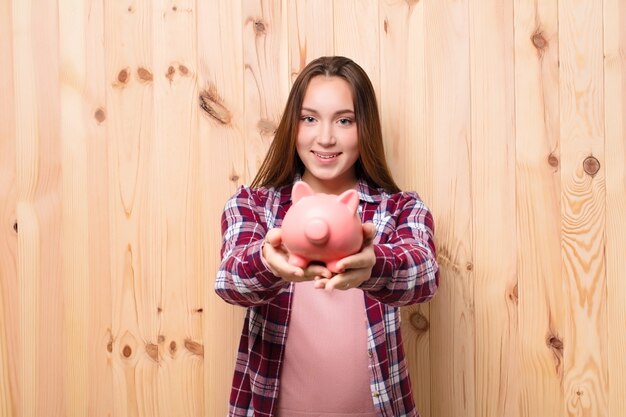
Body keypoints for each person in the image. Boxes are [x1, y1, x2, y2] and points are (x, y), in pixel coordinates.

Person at [215, 56, 439, 417]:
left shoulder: (398, 209)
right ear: (293, 126)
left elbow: (425, 276)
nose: (325, 137)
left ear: (364, 127)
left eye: (344, 120)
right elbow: (229, 280)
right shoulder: (254, 206)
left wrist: (375, 265)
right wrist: (268, 263)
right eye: (309, 119)